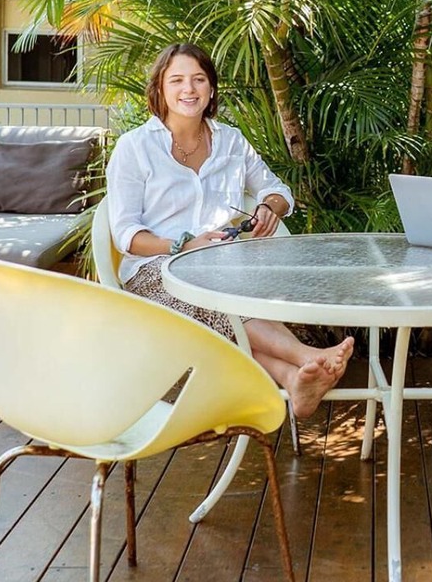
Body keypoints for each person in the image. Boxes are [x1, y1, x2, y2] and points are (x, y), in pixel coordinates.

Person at [105, 42, 353, 418]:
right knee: (215, 301)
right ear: (159, 89)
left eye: (198, 79)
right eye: (177, 80)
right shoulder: (134, 147)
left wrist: (269, 207)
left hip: (224, 271)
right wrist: (184, 247)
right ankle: (306, 357)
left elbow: (278, 191)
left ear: (211, 88)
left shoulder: (231, 142)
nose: (189, 89)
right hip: (156, 272)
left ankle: (293, 378)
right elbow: (127, 235)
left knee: (224, 295)